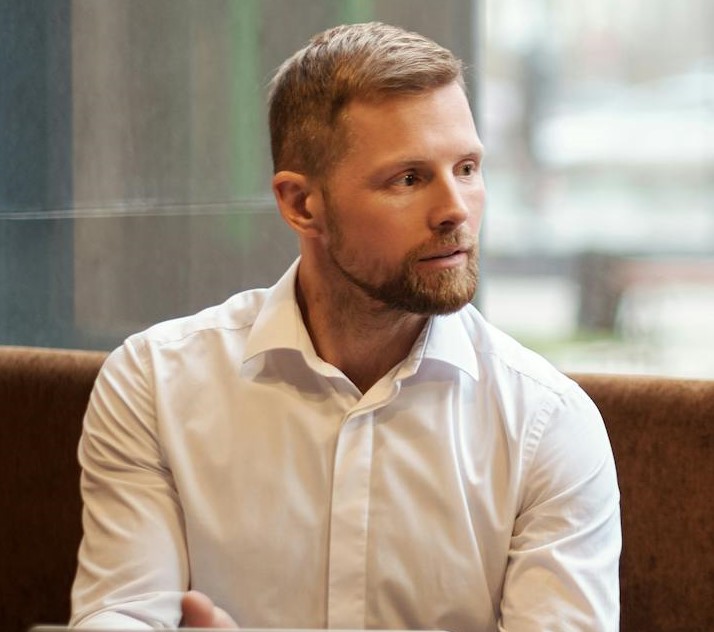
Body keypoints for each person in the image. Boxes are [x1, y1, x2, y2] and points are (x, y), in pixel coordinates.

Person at [69, 22, 621, 631]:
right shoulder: (152, 385)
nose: (455, 210)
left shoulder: (548, 422)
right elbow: (121, 610)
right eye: (409, 179)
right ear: (302, 204)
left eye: (466, 168)